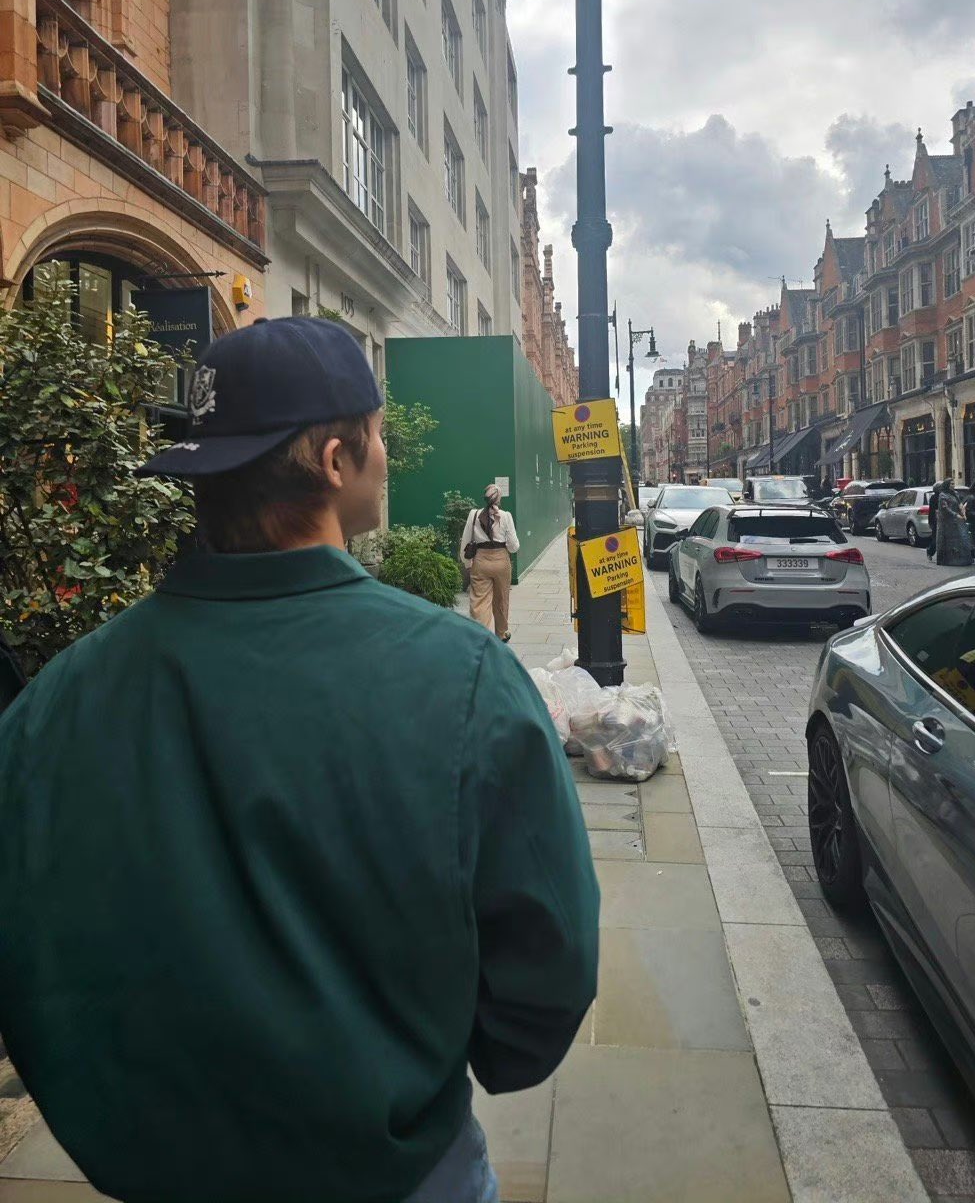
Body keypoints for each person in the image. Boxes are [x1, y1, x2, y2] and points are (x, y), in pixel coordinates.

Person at [0, 317, 598, 1203]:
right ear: (334, 460)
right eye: (381, 436)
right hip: (392, 1174)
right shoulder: (464, 676)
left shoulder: (56, 698)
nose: (387, 456)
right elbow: (547, 973)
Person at [461, 483, 519, 642]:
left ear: (484, 498)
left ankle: (482, 635)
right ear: (499, 499)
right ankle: (501, 633)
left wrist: (467, 564)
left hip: (480, 561)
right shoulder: (506, 516)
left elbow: (465, 542)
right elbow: (514, 547)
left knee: (479, 600)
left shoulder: (473, 514)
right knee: (501, 599)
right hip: (501, 561)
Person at [936, 479, 974, 567]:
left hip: (958, 520)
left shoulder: (955, 493)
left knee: (962, 538)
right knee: (950, 541)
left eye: (953, 484)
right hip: (947, 522)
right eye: (951, 484)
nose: (953, 485)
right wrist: (956, 515)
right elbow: (945, 508)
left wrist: (963, 512)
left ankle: (963, 559)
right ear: (947, 485)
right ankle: (948, 560)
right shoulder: (943, 495)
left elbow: (960, 504)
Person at [926, 481, 942, 560]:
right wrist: (931, 522)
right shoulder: (934, 497)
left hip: (944, 520)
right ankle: (930, 551)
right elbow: (932, 511)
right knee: (936, 538)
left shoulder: (944, 496)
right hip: (936, 521)